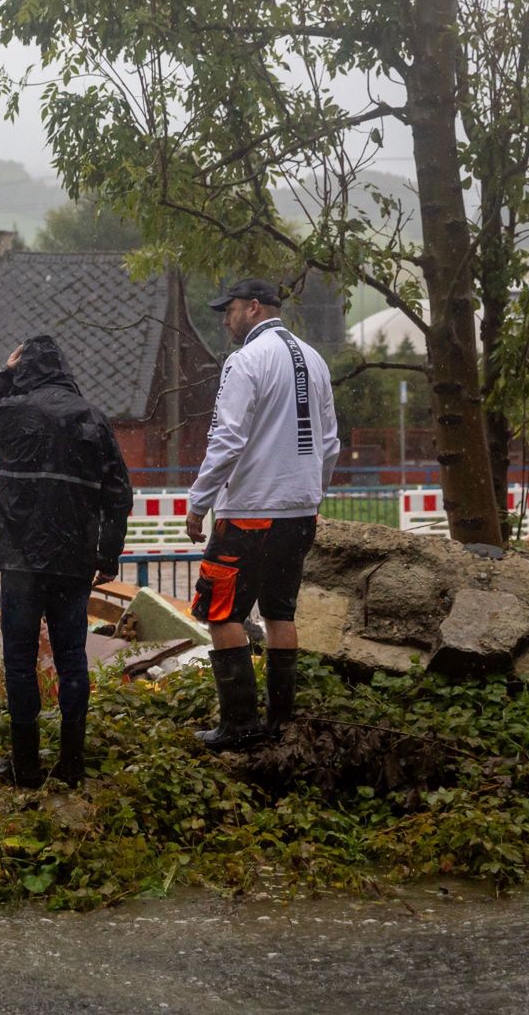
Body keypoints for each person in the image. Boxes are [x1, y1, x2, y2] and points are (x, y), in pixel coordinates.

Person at [0, 334, 133, 788]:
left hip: (21, 561)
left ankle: (25, 767)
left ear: (25, 371)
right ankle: (72, 763)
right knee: (72, 658)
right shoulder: (93, 419)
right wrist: (108, 556)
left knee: (19, 661)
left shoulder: (14, 414)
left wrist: (3, 372)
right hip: (74, 561)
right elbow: (119, 493)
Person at [185, 278, 341, 751]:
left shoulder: (245, 360)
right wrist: (311, 491)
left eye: (229, 310)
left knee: (220, 610)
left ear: (253, 308)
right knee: (279, 611)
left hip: (251, 509)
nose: (225, 319)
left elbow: (228, 437)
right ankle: (281, 722)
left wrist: (199, 501)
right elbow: (330, 442)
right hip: (300, 511)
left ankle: (239, 725)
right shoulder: (314, 360)